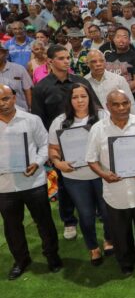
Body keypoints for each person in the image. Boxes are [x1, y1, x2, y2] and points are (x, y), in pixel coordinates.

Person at [86, 90, 135, 275]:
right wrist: (104, 175)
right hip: (115, 190)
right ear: (108, 107)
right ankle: (125, 261)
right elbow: (91, 159)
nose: (121, 108)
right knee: (119, 229)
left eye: (125, 103)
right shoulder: (98, 129)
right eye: (116, 104)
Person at [32, 45, 96, 239]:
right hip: (59, 144)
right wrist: (49, 151)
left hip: (88, 139)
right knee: (64, 183)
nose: (66, 61)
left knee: (96, 177)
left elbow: (97, 108)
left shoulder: (81, 82)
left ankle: (100, 213)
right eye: (61, 58)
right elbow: (38, 120)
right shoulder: (41, 87)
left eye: (68, 57)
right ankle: (69, 221)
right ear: (50, 61)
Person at [0, 84, 62, 280]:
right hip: (4, 186)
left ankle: (52, 257)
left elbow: (45, 145)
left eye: (5, 98)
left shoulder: (31, 120)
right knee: (12, 226)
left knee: (44, 222)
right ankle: (21, 260)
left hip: (33, 182)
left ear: (14, 97)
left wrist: (37, 163)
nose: (2, 103)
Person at [48, 83, 112, 265]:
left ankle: (109, 239)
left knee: (108, 212)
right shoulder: (60, 121)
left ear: (90, 97)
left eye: (83, 96)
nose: (80, 100)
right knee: (86, 214)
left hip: (101, 174)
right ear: (69, 100)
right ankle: (93, 247)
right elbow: (53, 148)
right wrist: (58, 163)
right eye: (75, 97)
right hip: (75, 178)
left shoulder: (103, 116)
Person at [104, 27, 135, 117]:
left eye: (124, 37)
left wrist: (117, 94)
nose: (121, 40)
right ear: (113, 39)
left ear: (129, 40)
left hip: (132, 101)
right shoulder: (108, 57)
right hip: (112, 103)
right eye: (118, 37)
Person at [0, 42, 32, 111]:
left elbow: (28, 90)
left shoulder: (19, 69)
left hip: (20, 111)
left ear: (6, 53)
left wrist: (30, 108)